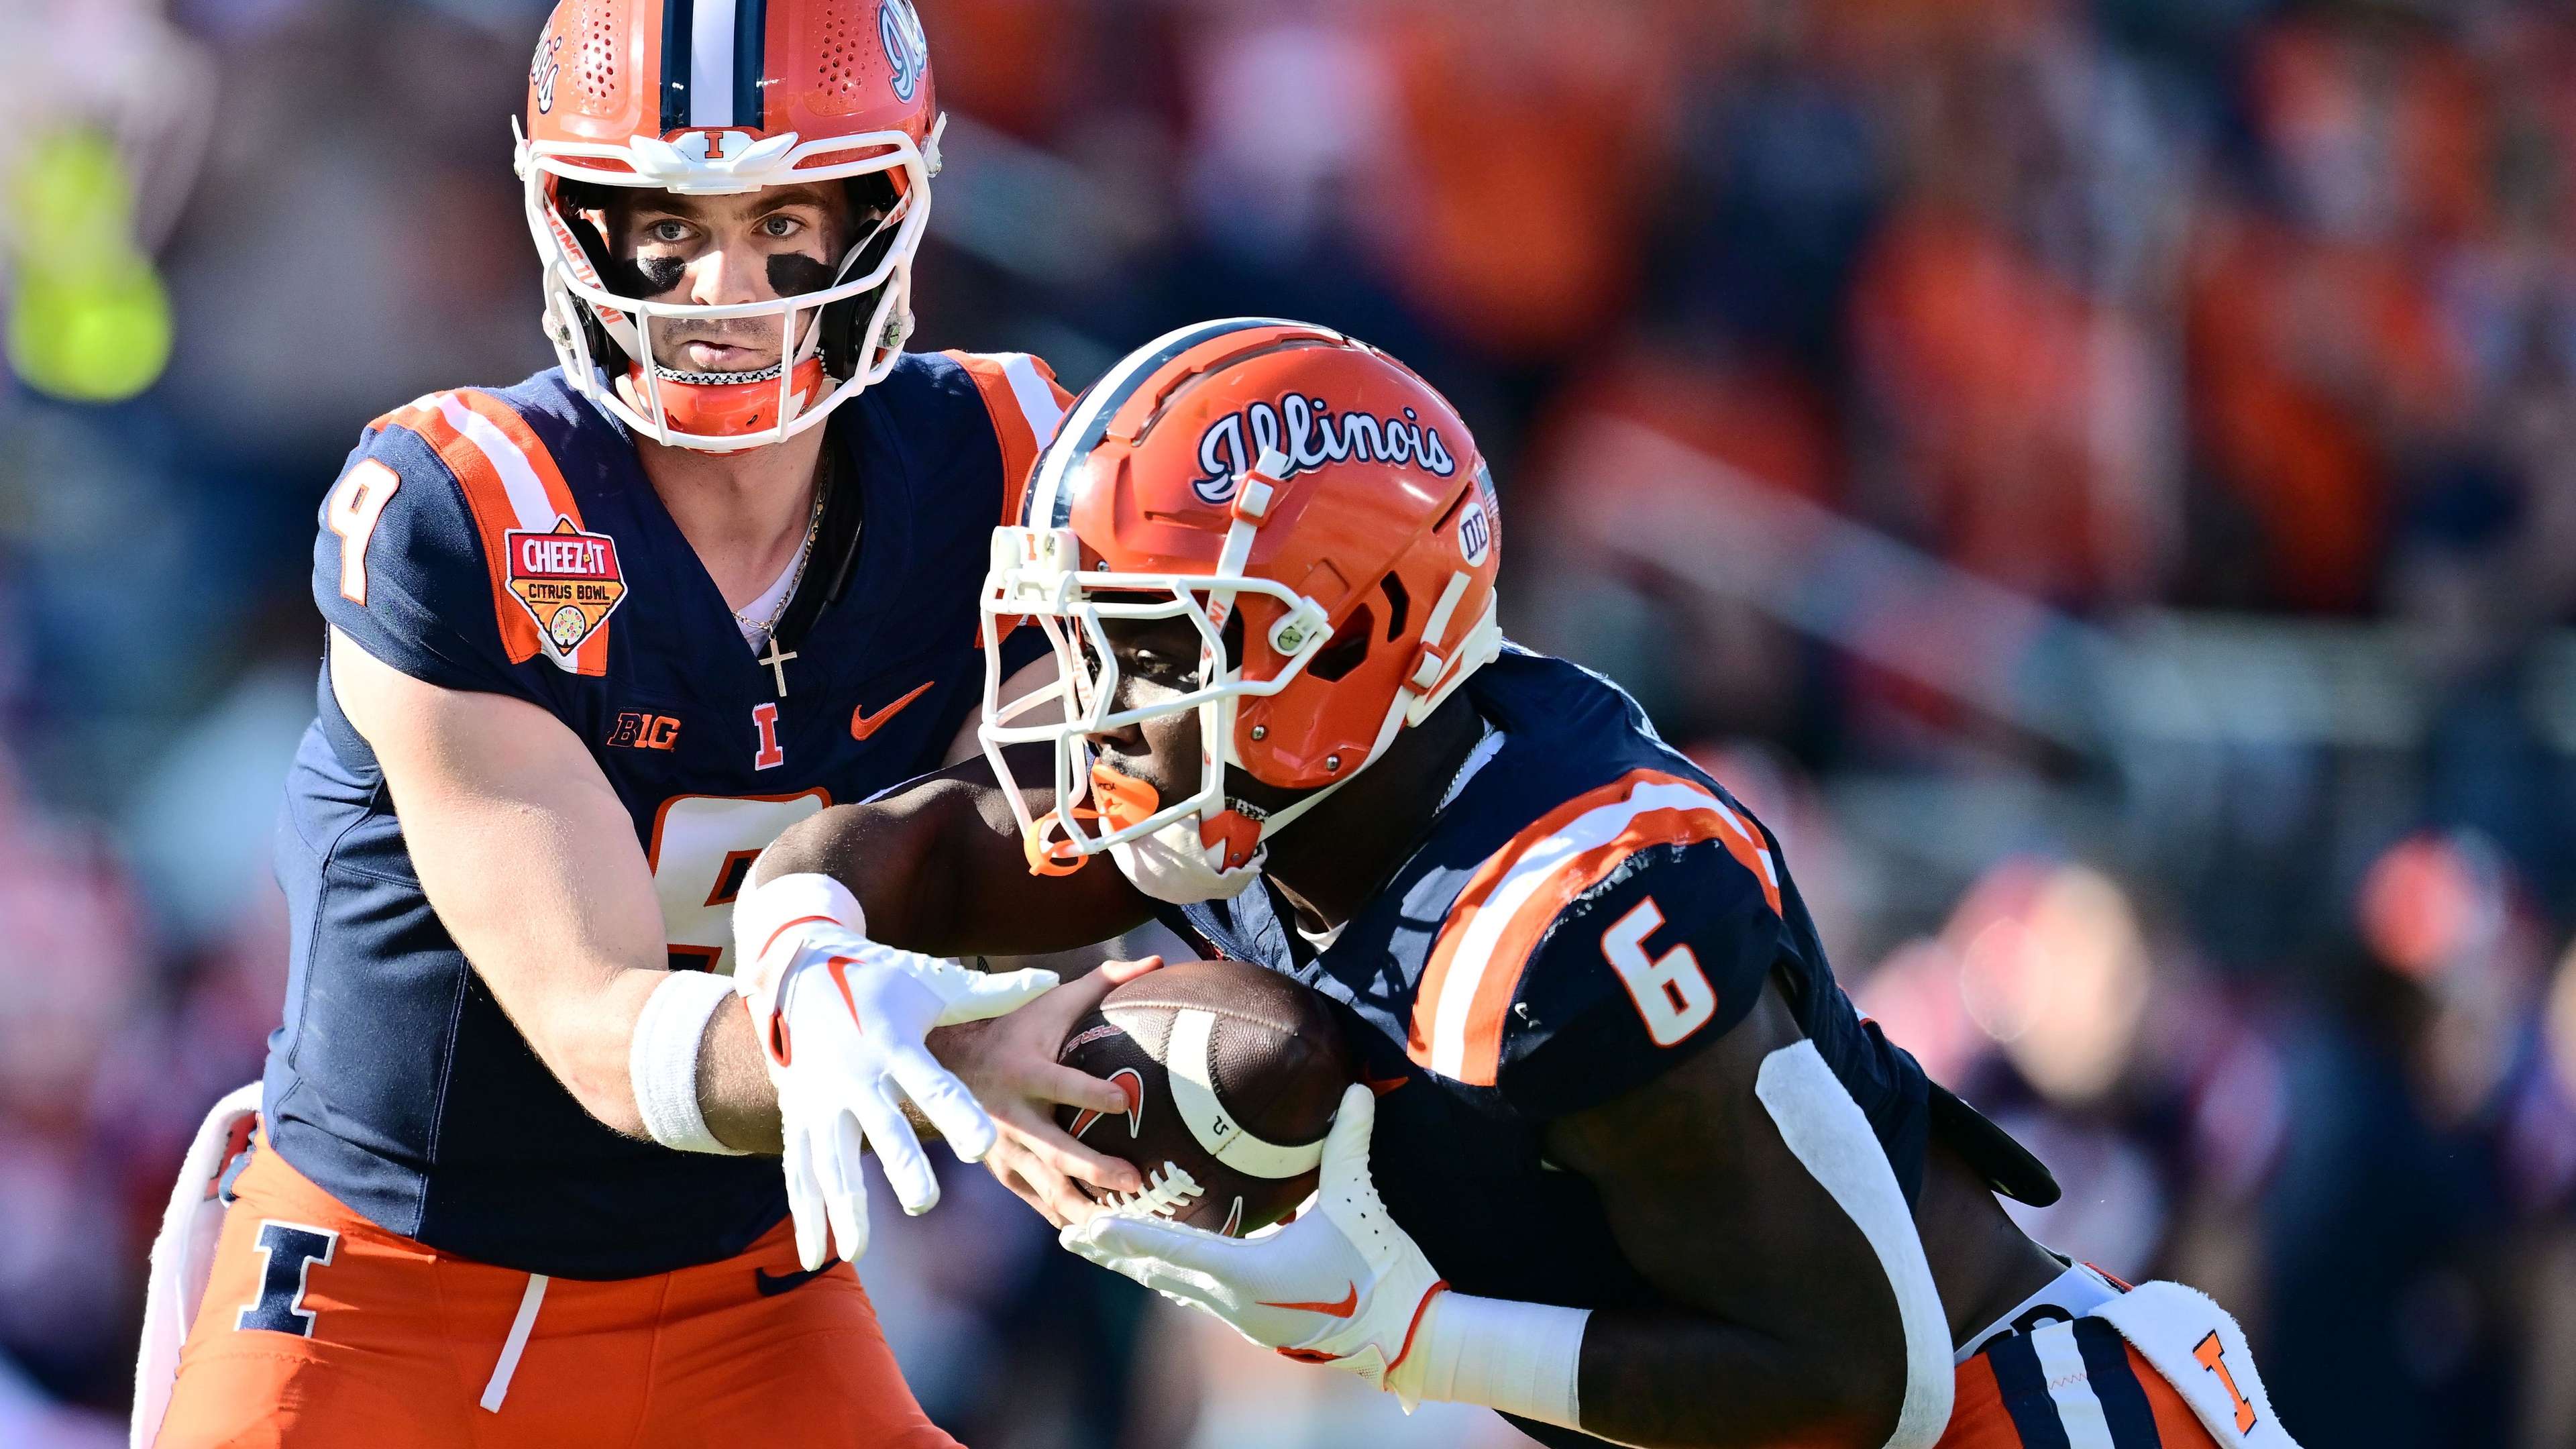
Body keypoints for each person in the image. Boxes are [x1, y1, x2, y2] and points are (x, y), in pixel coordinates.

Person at [740, 318, 2305, 1449]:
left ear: (1345, 643)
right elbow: (931, 841)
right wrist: (817, 954)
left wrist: (1404, 1334)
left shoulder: (1568, 917)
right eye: (1081, 635)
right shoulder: (1247, 770)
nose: (1083, 703)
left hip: (1998, 1410)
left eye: (1141, 648)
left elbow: (1852, 1372)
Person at [134, 4, 1146, 1446]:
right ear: (571, 218)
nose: (722, 287)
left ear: (890, 198)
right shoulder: (465, 506)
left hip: (745, 1294)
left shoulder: (1008, 461)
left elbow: (1079, 842)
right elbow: (600, 1028)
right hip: (387, 1291)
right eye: (664, 223)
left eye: (786, 215)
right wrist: (929, 1049)